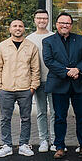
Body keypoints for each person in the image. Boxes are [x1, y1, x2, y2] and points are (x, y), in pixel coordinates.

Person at [42, 12, 82, 158]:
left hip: (80, 83)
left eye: (67, 23)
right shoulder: (48, 41)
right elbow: (49, 61)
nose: (65, 25)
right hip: (59, 84)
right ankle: (59, 146)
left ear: (71, 25)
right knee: (59, 117)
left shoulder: (80, 40)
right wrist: (67, 72)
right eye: (62, 23)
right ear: (56, 24)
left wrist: (78, 69)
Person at [0, 18, 40, 158]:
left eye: (20, 26)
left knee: (26, 118)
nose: (18, 28)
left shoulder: (31, 47)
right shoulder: (2, 47)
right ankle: (7, 145)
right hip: (6, 89)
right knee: (5, 118)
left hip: (25, 89)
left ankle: (24, 145)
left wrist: (33, 87)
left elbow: (35, 69)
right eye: (15, 26)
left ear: (24, 29)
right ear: (10, 29)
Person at [26, 9, 56, 152]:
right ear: (35, 20)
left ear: (48, 20)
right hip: (37, 81)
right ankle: (44, 140)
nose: (42, 21)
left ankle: (55, 139)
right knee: (41, 112)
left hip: (53, 80)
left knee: (55, 112)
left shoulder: (54, 37)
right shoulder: (29, 39)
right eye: (39, 18)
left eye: (44, 18)